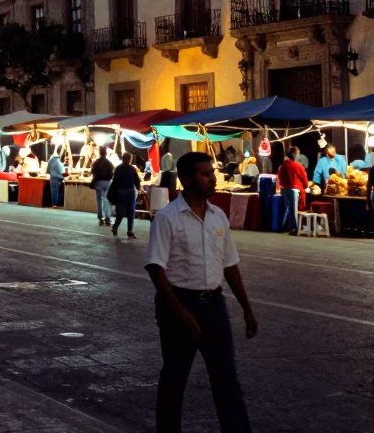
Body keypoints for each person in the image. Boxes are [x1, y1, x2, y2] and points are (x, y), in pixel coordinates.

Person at [146, 151, 256, 433]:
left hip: (214, 306)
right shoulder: (168, 218)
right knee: (175, 377)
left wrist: (247, 308)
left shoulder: (218, 217)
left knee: (226, 378)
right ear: (187, 180)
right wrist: (178, 311)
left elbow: (229, 265)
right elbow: (156, 268)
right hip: (179, 304)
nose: (212, 179)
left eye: (212, 173)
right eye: (205, 174)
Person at [276, 146, 310, 235]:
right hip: (294, 190)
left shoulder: (282, 166)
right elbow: (304, 178)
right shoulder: (297, 165)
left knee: (288, 208)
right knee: (293, 209)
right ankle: (294, 228)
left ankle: (283, 226)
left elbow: (279, 177)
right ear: (295, 154)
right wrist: (306, 186)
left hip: (284, 189)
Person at [111, 152, 141, 238]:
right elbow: (137, 181)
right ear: (129, 159)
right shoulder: (132, 169)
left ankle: (116, 226)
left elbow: (115, 181)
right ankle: (129, 231)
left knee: (120, 212)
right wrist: (138, 189)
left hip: (120, 192)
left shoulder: (118, 168)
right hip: (130, 192)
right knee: (131, 211)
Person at [91, 146, 115, 227]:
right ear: (106, 153)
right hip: (108, 182)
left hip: (98, 182)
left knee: (99, 200)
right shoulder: (109, 162)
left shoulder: (96, 162)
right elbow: (113, 170)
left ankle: (100, 218)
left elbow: (92, 171)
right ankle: (108, 217)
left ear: (100, 153)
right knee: (107, 200)